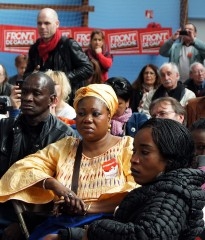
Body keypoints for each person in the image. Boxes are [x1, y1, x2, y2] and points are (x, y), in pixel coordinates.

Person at [0, 83, 137, 240]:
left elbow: (135, 191)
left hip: (108, 228)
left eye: (96, 114)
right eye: (81, 113)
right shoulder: (65, 146)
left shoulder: (127, 147)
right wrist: (55, 186)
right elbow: (21, 169)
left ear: (109, 117)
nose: (87, 119)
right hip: (63, 224)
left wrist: (87, 208)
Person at [44, 118, 205, 240]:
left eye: (145, 152)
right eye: (134, 151)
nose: (134, 159)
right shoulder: (163, 188)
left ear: (170, 157)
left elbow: (149, 235)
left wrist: (94, 229)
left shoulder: (173, 193)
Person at [0, 71, 76, 240]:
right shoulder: (4, 127)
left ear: (52, 100)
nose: (27, 98)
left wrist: (25, 223)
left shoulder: (66, 137)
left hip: (36, 217)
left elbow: (63, 196)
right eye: (25, 92)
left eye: (36, 93)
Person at [24, 7, 93, 106]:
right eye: (39, 23)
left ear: (57, 24)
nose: (42, 27)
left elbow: (88, 68)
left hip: (68, 102)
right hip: (43, 103)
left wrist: (61, 79)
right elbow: (26, 75)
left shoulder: (68, 44)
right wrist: (35, 76)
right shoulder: (34, 49)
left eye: (47, 23)